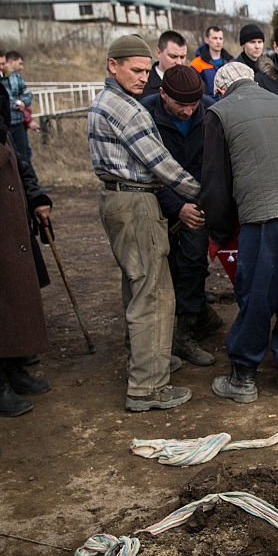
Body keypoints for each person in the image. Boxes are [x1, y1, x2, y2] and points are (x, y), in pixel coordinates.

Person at [88, 35, 200, 411]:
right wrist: (202, 193)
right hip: (135, 201)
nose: (143, 77)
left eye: (146, 70)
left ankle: (149, 358)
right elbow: (162, 165)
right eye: (135, 70)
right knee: (153, 293)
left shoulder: (106, 101)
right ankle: (148, 387)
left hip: (120, 199)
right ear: (112, 66)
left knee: (138, 284)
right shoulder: (127, 109)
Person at [202, 62, 278, 403]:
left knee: (258, 296)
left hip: (264, 215)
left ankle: (243, 378)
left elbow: (216, 182)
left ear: (221, 89)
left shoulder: (219, 111)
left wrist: (220, 230)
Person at [0, 66, 53, 417]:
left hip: (11, 233)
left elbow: (19, 166)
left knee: (14, 303)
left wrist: (36, 197)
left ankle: (12, 366)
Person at [141, 65, 220, 368]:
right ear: (162, 94)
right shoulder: (145, 115)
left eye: (193, 105)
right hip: (159, 198)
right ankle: (167, 329)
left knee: (192, 261)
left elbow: (214, 163)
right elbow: (145, 169)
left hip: (199, 199)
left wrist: (201, 203)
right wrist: (176, 207)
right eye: (180, 105)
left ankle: (188, 328)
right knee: (161, 265)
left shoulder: (210, 112)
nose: (188, 112)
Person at [2, 51, 33, 164]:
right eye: (19, 63)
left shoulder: (16, 77)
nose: (22, 67)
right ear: (11, 62)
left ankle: (28, 181)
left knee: (24, 156)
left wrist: (23, 102)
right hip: (5, 124)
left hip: (18, 123)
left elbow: (28, 93)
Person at [141, 31, 188, 99]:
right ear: (159, 53)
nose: (179, 62)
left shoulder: (194, 82)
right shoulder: (142, 84)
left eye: (182, 57)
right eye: (173, 56)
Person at [190, 26, 233, 98]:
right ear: (206, 40)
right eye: (215, 38)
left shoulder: (231, 62)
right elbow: (195, 91)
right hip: (207, 106)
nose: (218, 41)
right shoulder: (196, 64)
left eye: (220, 38)